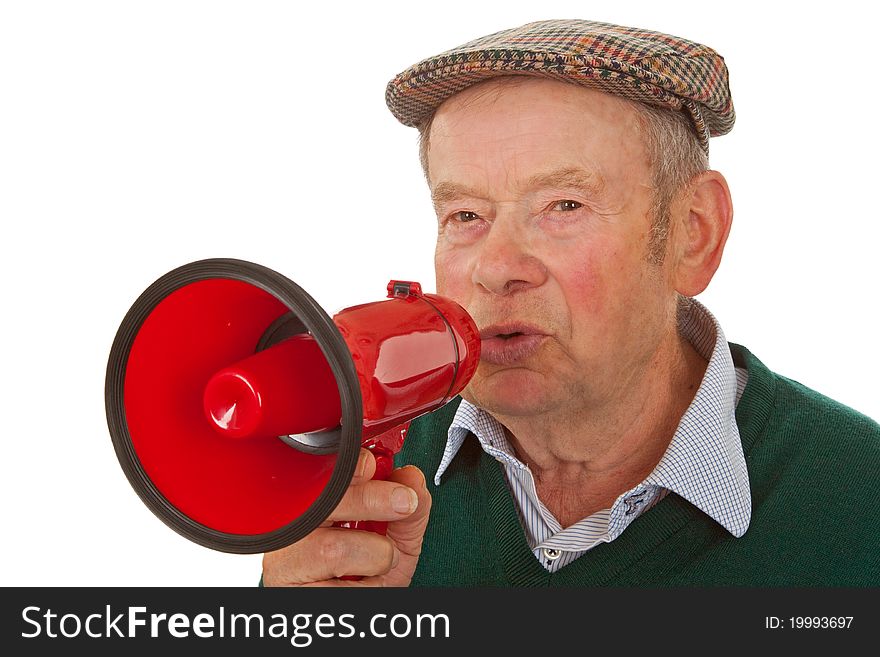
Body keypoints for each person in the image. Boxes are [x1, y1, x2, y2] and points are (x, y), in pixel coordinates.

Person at [262, 18, 880, 586]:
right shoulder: (358, 488)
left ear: (694, 233)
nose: (497, 269)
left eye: (564, 206)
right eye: (466, 214)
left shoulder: (859, 496)